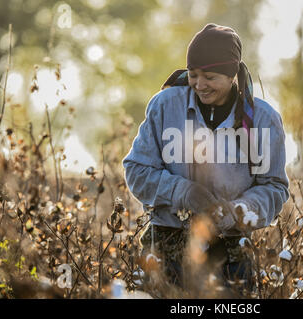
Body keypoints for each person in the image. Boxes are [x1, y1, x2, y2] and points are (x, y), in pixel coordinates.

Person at [123, 23, 289, 295]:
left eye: (210, 77)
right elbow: (136, 170)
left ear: (232, 74)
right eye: (193, 74)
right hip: (165, 245)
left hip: (231, 253)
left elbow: (274, 187)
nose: (199, 84)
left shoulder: (262, 120)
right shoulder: (165, 106)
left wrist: (237, 211)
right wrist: (183, 191)